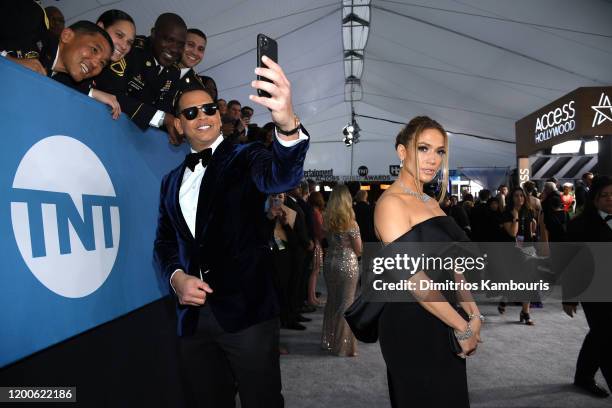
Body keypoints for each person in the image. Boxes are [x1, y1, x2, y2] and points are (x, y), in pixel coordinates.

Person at [154, 55, 308, 407]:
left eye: (208, 108)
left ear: (219, 115)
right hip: (193, 320)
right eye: (190, 113)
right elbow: (163, 242)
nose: (202, 117)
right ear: (178, 124)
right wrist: (176, 277)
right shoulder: (169, 183)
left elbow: (281, 176)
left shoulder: (245, 156)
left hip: (248, 314)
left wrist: (286, 124)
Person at [374, 116, 482, 407]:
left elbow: (454, 268)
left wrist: (474, 314)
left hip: (446, 315)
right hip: (411, 323)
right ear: (402, 151)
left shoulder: (431, 202)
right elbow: (415, 281)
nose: (433, 159)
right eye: (423, 148)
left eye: (440, 151)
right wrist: (463, 326)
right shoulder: (390, 204)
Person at [563, 175, 612, 399]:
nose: (610, 199)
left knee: (599, 334)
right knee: (606, 337)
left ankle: (583, 376)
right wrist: (569, 296)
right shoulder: (579, 225)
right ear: (594, 199)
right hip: (594, 289)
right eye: (605, 195)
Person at [124, 13, 187, 144]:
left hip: (136, 138)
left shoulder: (174, 72)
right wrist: (164, 118)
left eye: (180, 45)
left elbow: (164, 109)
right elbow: (114, 94)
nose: (175, 49)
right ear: (153, 34)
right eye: (169, 40)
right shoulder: (132, 50)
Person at [321, 184, 361, 357]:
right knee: (346, 303)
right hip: (347, 264)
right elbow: (359, 250)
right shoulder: (351, 222)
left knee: (332, 301)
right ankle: (343, 347)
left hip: (330, 262)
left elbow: (325, 240)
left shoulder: (326, 219)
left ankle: (329, 341)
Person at [499, 187, 537, 324]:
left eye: (522, 195)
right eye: (516, 196)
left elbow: (533, 225)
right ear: (511, 198)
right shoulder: (507, 213)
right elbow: (513, 233)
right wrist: (515, 217)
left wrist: (532, 236)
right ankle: (504, 299)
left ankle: (525, 312)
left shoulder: (529, 211)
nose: (519, 198)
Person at [178, 28, 218, 101]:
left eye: (200, 49)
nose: (195, 53)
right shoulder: (158, 67)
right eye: (190, 45)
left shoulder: (198, 87)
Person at [307, 191, 325, 306]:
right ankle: (311, 298)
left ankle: (312, 297)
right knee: (315, 271)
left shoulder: (311, 211)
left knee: (314, 271)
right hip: (317, 243)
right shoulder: (316, 212)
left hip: (314, 241)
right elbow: (319, 230)